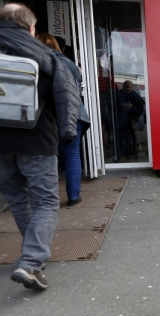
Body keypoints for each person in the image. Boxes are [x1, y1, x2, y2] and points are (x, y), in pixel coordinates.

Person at [0, 3, 79, 290]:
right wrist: (68, 131)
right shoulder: (44, 56)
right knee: (45, 201)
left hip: (1, 146)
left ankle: (32, 258)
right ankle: (31, 262)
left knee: (18, 200)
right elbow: (66, 97)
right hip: (37, 139)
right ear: (32, 27)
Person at [37, 33, 91, 206]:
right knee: (72, 155)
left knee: (49, 156)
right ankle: (74, 196)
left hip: (55, 115)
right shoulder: (69, 63)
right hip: (77, 114)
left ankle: (46, 200)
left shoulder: (41, 64)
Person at [116, 80, 145, 162]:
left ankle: (131, 151)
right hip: (120, 120)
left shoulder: (135, 96)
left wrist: (132, 108)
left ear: (132, 87)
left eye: (129, 87)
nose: (127, 88)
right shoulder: (119, 94)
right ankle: (123, 152)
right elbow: (114, 104)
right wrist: (122, 105)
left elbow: (140, 108)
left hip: (130, 120)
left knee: (131, 136)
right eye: (126, 87)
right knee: (122, 136)